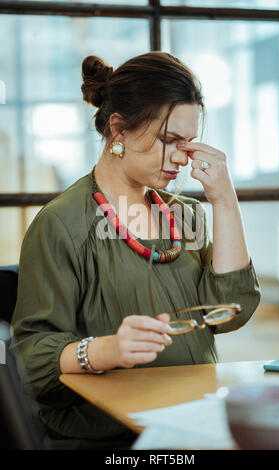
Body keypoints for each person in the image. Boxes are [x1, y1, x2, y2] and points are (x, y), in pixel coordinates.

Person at [10, 51, 261, 450]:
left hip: (193, 426)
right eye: (168, 140)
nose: (181, 157)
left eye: (189, 143)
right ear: (119, 129)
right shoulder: (63, 223)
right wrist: (107, 349)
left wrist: (224, 200)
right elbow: (31, 359)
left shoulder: (185, 214)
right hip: (107, 439)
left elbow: (230, 311)